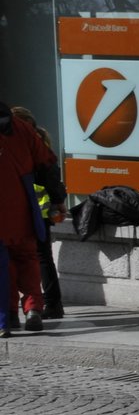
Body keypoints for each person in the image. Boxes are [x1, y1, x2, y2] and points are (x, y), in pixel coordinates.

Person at [0, 101, 60, 334]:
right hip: (23, 209)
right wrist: (56, 199)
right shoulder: (21, 128)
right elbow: (47, 164)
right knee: (28, 259)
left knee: (5, 266)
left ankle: (7, 317)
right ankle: (33, 308)